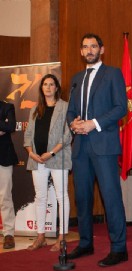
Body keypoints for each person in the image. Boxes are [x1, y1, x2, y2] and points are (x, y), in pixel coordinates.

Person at [66, 33, 128, 267]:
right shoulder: (76, 78)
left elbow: (120, 107)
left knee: (111, 197)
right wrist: (73, 123)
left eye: (93, 46)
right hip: (80, 146)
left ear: (102, 49)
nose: (89, 50)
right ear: (81, 52)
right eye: (85, 47)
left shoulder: (113, 74)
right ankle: (85, 243)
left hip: (104, 144)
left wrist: (94, 123)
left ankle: (119, 248)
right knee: (82, 198)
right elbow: (71, 110)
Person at [24, 74, 72, 252]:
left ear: (57, 88)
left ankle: (62, 237)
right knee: (40, 197)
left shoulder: (65, 107)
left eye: (52, 84)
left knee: (61, 196)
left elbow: (67, 135)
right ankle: (41, 236)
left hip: (57, 157)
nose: (48, 87)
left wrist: (51, 152)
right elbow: (28, 134)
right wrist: (31, 152)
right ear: (41, 88)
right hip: (37, 159)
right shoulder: (35, 109)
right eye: (45, 84)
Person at [0, 100, 18, 249]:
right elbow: (4, 125)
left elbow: (10, 126)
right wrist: (2, 124)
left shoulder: (7, 107)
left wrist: (5, 126)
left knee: (5, 196)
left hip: (3, 157)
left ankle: (8, 234)